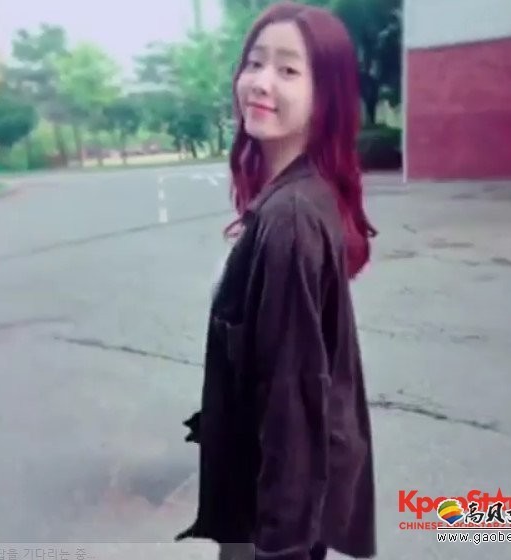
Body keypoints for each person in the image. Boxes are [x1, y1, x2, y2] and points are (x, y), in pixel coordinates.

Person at [175, 2, 378, 559]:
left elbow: (294, 407)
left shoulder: (290, 219)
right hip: (270, 496)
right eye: (255, 63)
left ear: (325, 97)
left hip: (271, 519)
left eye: (288, 70)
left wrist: (278, 548)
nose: (261, 82)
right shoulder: (298, 194)